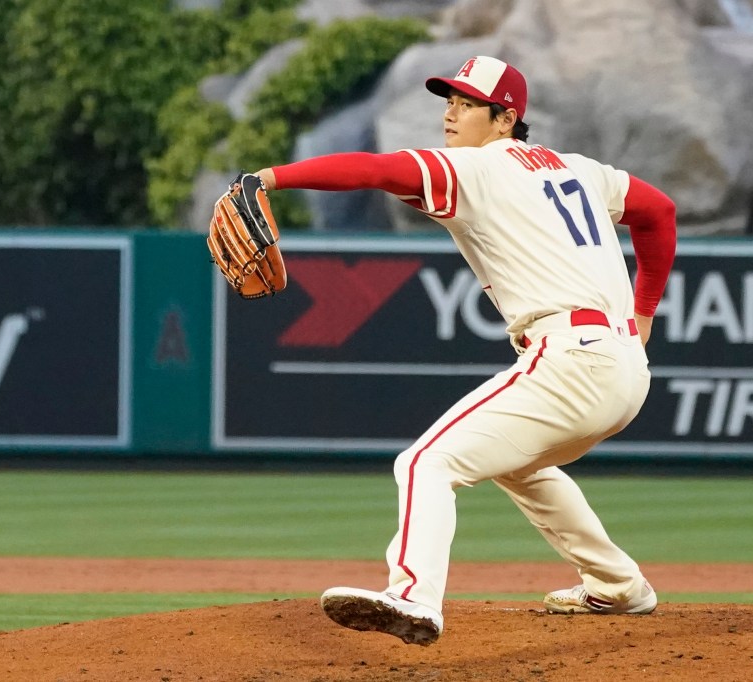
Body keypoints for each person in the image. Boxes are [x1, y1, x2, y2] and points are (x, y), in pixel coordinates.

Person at [255, 55, 676, 646]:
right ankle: (618, 584)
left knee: (426, 463)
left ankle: (414, 598)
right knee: (517, 466)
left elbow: (375, 170)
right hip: (625, 366)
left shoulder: (476, 169)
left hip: (572, 357)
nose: (450, 113)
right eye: (448, 101)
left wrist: (270, 178)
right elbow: (659, 212)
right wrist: (644, 310)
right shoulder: (579, 170)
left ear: (506, 119)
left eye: (466, 104)